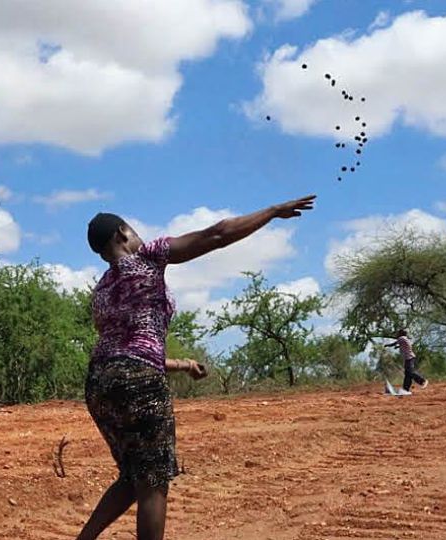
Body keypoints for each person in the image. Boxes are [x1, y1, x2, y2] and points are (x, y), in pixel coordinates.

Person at [75, 194, 317, 540]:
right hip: (137, 380)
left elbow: (130, 348)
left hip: (100, 383)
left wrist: (184, 364)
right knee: (153, 482)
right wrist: (273, 212)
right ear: (122, 233)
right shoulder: (146, 257)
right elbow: (216, 235)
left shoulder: (102, 289)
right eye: (133, 229)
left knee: (132, 476)